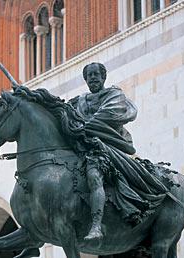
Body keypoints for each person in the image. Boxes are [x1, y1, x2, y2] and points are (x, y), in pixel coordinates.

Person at [69, 62, 138, 240]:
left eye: (95, 74)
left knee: (94, 175)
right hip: (84, 146)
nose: (92, 78)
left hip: (106, 146)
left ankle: (96, 226)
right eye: (89, 75)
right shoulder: (80, 100)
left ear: (103, 77)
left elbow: (106, 116)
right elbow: (63, 112)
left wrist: (82, 126)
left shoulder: (114, 95)